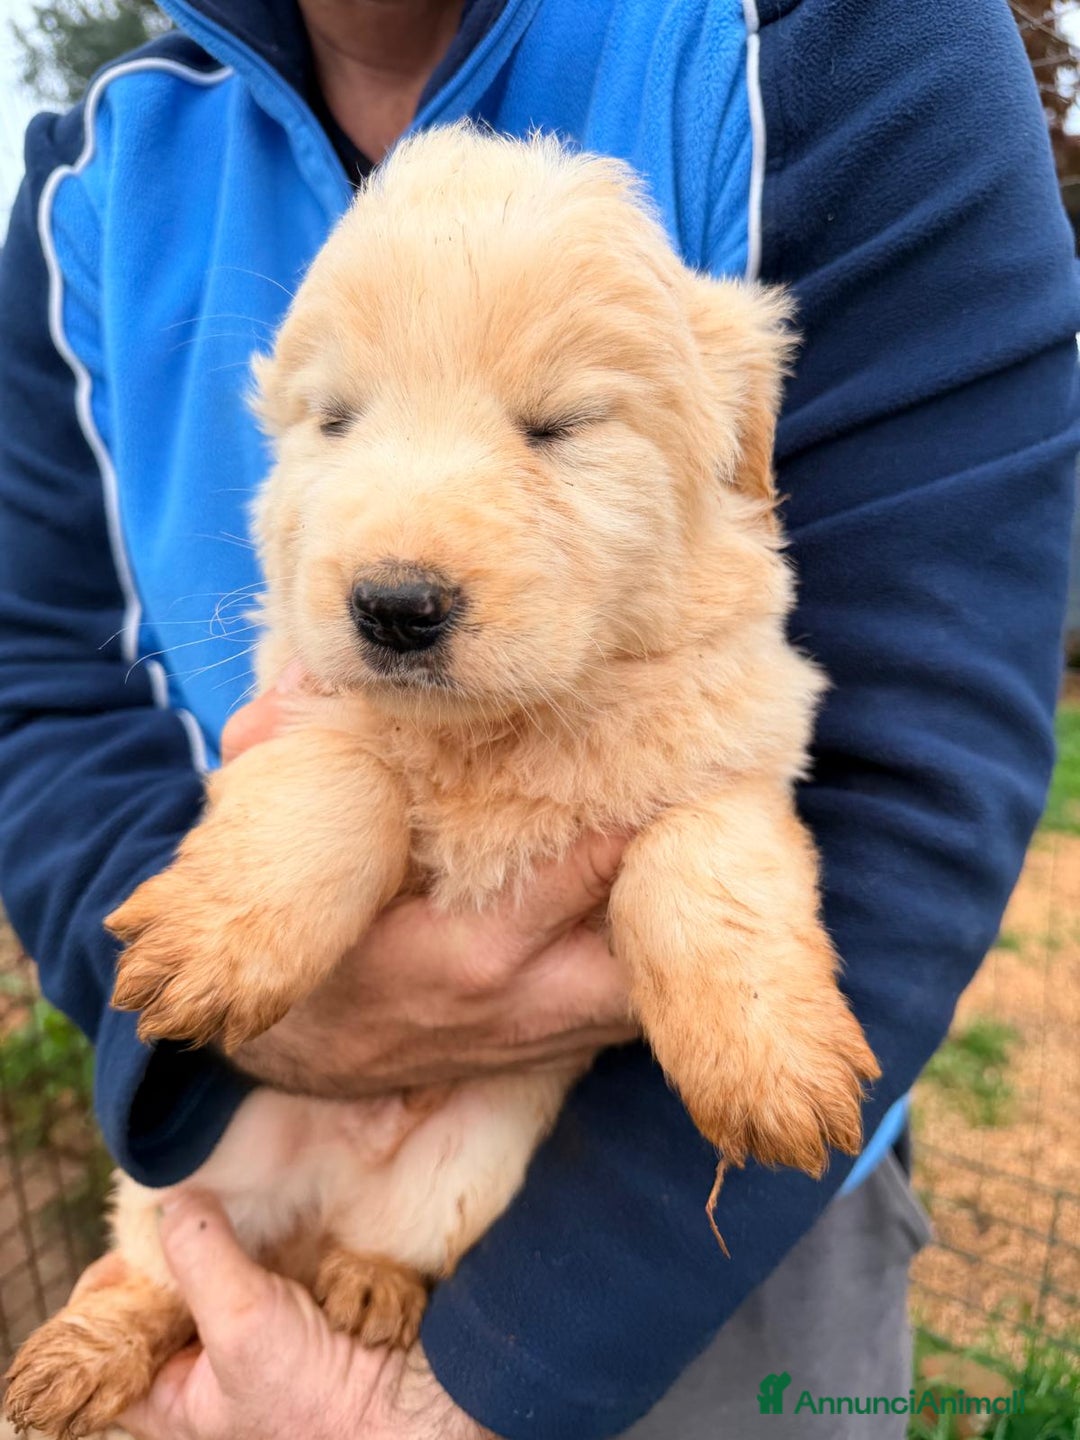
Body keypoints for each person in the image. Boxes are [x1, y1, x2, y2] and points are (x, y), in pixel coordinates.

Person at [0, 1, 1076, 1436]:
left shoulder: (842, 37)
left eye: (556, 425)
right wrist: (217, 1029)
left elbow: (905, 760)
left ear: (728, 429)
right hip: (244, 1127)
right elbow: (34, 673)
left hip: (695, 1218)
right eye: (337, 420)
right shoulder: (94, 170)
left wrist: (474, 1380)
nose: (402, 555)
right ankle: (145, 1293)